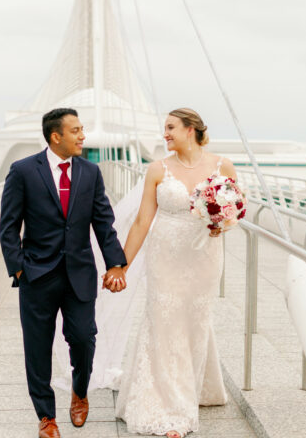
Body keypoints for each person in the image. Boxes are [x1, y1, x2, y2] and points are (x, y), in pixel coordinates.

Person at [107, 107, 236, 438]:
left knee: (195, 320)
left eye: (170, 127)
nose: (165, 134)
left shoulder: (223, 166)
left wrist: (221, 222)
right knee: (165, 323)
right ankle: (171, 408)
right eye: (165, 128)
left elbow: (235, 208)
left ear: (190, 129)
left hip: (204, 256)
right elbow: (141, 222)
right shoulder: (157, 169)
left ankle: (198, 386)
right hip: (164, 256)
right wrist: (121, 265)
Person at [0, 108, 127, 438]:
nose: (83, 135)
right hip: (36, 276)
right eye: (76, 130)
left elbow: (103, 222)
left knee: (84, 339)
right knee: (37, 348)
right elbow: (9, 227)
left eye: (82, 128)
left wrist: (116, 263)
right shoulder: (23, 171)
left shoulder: (90, 172)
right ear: (56, 136)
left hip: (80, 274)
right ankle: (46, 417)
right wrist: (19, 269)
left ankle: (80, 392)